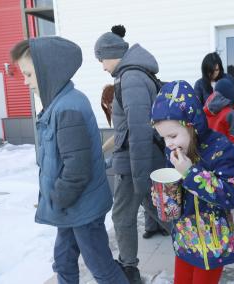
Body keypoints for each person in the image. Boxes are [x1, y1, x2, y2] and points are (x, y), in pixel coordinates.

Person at [10, 37, 128, 283]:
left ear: (48, 71)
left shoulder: (68, 108)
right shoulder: (59, 103)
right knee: (63, 260)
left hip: (81, 208)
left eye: (29, 75)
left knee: (101, 267)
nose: (26, 82)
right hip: (72, 207)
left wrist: (56, 196)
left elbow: (76, 169)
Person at [151, 80, 234, 284]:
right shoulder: (174, 151)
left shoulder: (221, 149)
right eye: (163, 138)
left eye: (173, 135)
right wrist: (165, 196)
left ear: (191, 124)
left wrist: (190, 173)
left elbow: (232, 194)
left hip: (212, 244)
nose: (169, 144)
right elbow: (178, 190)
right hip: (185, 238)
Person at [94, 24, 168, 283]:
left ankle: (129, 268)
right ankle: (193, 241)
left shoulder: (132, 78)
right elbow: (129, 129)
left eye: (101, 59)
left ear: (112, 53)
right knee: (159, 211)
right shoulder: (132, 75)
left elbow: (138, 132)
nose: (102, 66)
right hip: (138, 160)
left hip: (136, 162)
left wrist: (139, 175)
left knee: (123, 216)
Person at [203, 78, 234, 170]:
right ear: (230, 95)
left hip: (208, 157)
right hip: (226, 160)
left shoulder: (206, 110)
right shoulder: (231, 114)